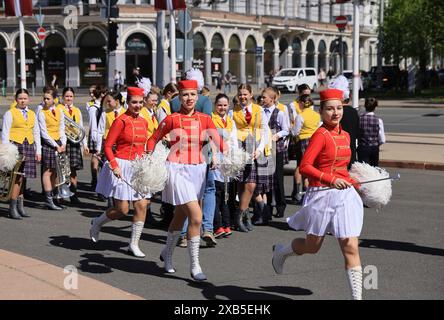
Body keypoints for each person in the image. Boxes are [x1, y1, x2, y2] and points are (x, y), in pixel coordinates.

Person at [272, 88, 365, 300]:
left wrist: (356, 183)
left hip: (344, 196)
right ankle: (282, 251)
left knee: (350, 246)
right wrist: (331, 180)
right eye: (330, 109)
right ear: (321, 111)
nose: (336, 113)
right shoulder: (320, 135)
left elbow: (342, 168)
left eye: (339, 108)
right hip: (322, 194)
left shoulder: (346, 135)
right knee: (312, 247)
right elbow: (305, 167)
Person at [147, 79, 226, 281]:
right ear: (178, 97)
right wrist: (148, 159)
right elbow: (153, 138)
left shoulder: (205, 119)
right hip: (177, 169)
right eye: (185, 95)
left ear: (197, 96)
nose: (189, 98)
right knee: (196, 217)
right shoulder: (171, 119)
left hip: (198, 170)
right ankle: (195, 265)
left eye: (192, 94)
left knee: (180, 216)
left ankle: (167, 254)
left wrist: (234, 157)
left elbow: (218, 141)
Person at [90, 87, 151, 258]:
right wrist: (114, 164)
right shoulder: (120, 120)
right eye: (134, 102)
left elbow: (145, 144)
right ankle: (97, 222)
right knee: (122, 209)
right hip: (122, 165)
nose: (137, 106)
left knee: (141, 205)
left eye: (140, 102)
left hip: (138, 166)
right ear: (127, 102)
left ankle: (133, 243)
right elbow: (108, 146)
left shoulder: (144, 121)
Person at [230, 84, 270, 232]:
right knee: (241, 184)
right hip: (239, 148)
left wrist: (259, 150)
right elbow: (231, 130)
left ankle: (240, 215)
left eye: (245, 94)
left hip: (255, 148)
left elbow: (265, 131)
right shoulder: (232, 111)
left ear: (251, 94)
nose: (242, 97)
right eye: (240, 94)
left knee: (251, 184)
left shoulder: (259, 110)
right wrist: (234, 150)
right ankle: (243, 217)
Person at [1, 89, 41, 219]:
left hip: (28, 145)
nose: (23, 101)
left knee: (23, 178)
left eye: (25, 98)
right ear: (16, 99)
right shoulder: (10, 113)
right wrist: (6, 152)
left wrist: (38, 150)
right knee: (16, 178)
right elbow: (5, 133)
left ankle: (20, 206)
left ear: (28, 99)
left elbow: (36, 133)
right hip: (15, 146)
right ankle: (12, 208)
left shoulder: (32, 114)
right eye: (20, 98)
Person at [259, 87, 289, 223]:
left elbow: (286, 129)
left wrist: (277, 135)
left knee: (277, 178)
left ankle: (281, 205)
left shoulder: (280, 113)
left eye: (264, 97)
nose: (262, 99)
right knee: (267, 178)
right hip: (264, 148)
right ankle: (268, 206)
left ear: (272, 99)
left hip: (276, 148)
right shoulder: (260, 111)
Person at [211, 93, 237, 238]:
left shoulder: (230, 121)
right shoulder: (211, 119)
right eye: (219, 105)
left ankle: (226, 224)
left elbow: (234, 141)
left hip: (227, 159)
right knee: (216, 193)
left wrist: (232, 157)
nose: (222, 107)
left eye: (225, 105)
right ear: (215, 105)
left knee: (226, 194)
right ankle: (217, 225)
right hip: (215, 158)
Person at [38, 87, 67, 210]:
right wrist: (55, 145)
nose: (45, 100)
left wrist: (63, 143)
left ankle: (55, 197)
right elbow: (44, 133)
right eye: (44, 98)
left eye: (48, 98)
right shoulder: (41, 112)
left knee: (56, 171)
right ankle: (48, 199)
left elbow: (62, 128)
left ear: (54, 99)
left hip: (59, 142)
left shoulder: (59, 111)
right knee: (47, 171)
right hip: (49, 144)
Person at [60, 87, 89, 204]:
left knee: (73, 171)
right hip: (64, 143)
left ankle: (73, 194)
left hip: (75, 143)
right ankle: (60, 195)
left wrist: (85, 144)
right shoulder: (59, 109)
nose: (68, 98)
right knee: (62, 171)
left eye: (71, 96)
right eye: (66, 96)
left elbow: (81, 128)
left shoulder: (77, 110)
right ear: (62, 97)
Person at [291, 94, 321, 203]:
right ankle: (309, 191)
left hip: (303, 141)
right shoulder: (316, 115)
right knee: (312, 167)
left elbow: (295, 132)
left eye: (299, 103)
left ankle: (298, 192)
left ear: (302, 103)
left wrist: (291, 129)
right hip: (314, 141)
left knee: (300, 167)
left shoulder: (300, 116)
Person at [357, 97, 386, 166]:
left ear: (365, 106)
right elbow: (382, 139)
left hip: (362, 147)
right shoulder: (378, 120)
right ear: (375, 107)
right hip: (374, 147)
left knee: (363, 169)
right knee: (374, 168)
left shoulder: (359, 119)